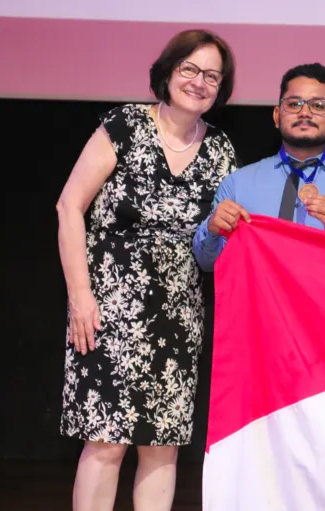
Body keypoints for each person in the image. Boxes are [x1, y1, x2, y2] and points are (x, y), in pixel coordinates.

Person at [56, 29, 239, 510]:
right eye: (191, 70)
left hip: (179, 316)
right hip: (106, 310)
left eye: (212, 76)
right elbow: (69, 207)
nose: (200, 82)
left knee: (162, 446)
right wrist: (80, 295)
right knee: (105, 441)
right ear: (168, 71)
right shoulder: (125, 125)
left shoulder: (221, 151)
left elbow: (226, 235)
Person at [192, 63, 325, 269]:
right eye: (294, 104)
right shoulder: (238, 184)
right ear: (277, 116)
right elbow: (207, 263)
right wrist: (212, 228)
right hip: (258, 301)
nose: (304, 113)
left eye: (318, 106)